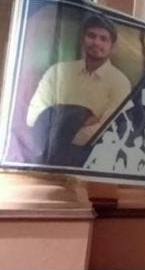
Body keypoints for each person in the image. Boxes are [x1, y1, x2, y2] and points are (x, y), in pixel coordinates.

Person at [25, 13, 132, 163]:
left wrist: (58, 122)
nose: (96, 42)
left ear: (112, 47)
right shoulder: (58, 72)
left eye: (103, 39)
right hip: (43, 157)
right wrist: (80, 119)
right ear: (82, 39)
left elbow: (105, 131)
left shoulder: (120, 82)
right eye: (91, 36)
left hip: (89, 161)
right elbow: (33, 116)